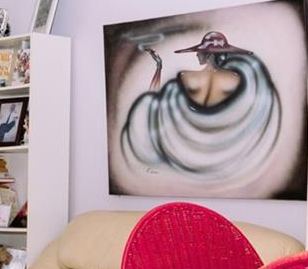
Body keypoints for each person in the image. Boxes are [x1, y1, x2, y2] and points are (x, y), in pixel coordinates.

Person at [120, 30, 281, 182]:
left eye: (199, 51)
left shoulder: (185, 77)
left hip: (182, 149)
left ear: (209, 54)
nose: (197, 54)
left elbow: (155, 103)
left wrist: (159, 68)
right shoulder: (236, 79)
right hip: (220, 151)